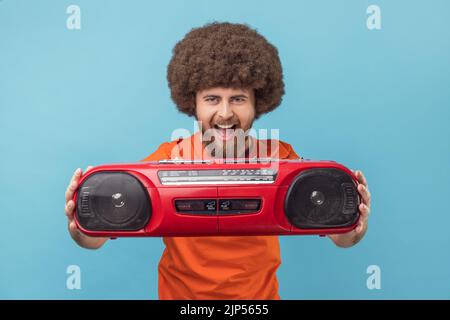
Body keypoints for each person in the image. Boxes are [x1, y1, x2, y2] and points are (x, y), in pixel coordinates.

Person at [64, 22, 371, 299]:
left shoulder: (282, 158)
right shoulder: (167, 159)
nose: (225, 113)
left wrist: (353, 225)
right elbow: (98, 237)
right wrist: (81, 225)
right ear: (193, 104)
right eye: (212, 99)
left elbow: (340, 236)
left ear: (257, 104)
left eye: (238, 99)